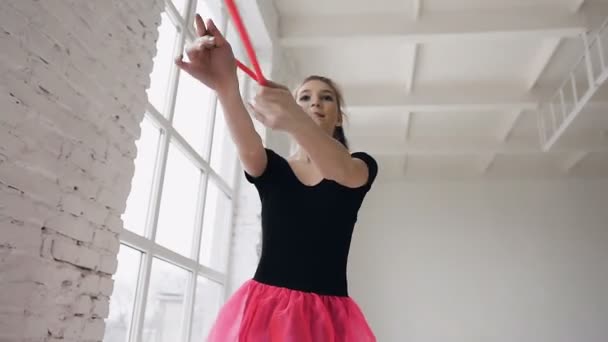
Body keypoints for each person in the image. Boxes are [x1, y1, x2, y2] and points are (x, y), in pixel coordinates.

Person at [176, 13, 378, 342]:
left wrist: (295, 116)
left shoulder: (359, 165)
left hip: (327, 321)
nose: (315, 102)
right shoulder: (274, 171)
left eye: (326, 97)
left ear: (339, 116)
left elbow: (340, 171)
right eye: (305, 97)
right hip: (265, 313)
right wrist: (225, 83)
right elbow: (246, 142)